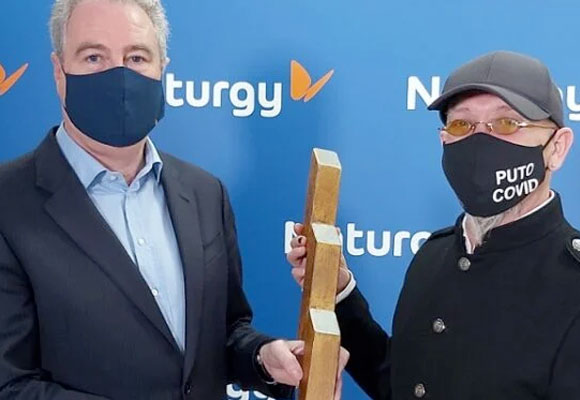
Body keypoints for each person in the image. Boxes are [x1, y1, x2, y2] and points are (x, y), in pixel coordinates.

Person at [0, 0, 349, 398]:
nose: (119, 75)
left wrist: (262, 358)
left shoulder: (204, 193)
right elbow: (9, 384)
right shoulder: (8, 203)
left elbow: (224, 333)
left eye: (136, 57)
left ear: (162, 68)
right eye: (94, 57)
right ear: (59, 71)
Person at [288, 50, 580, 399]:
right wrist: (338, 292)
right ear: (444, 139)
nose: (481, 140)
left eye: (507, 123)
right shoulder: (433, 256)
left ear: (557, 148)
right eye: (461, 124)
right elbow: (400, 383)